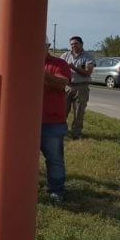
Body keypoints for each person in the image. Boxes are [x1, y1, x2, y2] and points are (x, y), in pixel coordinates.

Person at [42, 36, 72, 202]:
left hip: (51, 122)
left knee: (54, 159)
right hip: (26, 122)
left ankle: (57, 190)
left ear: (48, 46)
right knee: (23, 158)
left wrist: (42, 73)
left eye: (42, 45)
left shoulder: (59, 64)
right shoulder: (23, 62)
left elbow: (62, 84)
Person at [60, 36, 95, 139]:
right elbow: (59, 68)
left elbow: (88, 72)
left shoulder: (88, 57)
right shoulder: (65, 55)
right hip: (67, 86)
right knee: (62, 110)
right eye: (71, 44)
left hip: (81, 87)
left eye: (75, 43)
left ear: (81, 44)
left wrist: (73, 67)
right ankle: (61, 131)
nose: (73, 46)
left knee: (79, 111)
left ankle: (76, 133)